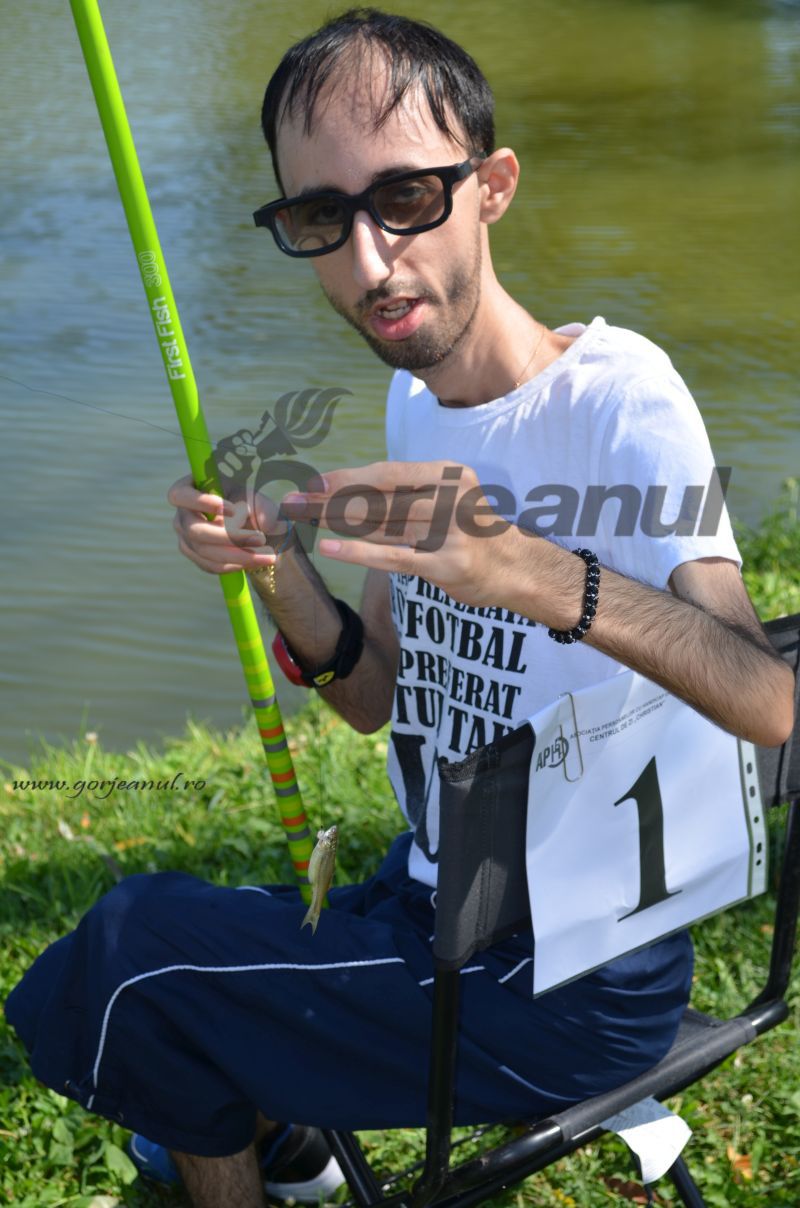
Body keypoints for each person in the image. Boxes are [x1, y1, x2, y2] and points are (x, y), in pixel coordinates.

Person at [5, 9, 794, 1208]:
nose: (369, 262)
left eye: (406, 199)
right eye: (321, 217)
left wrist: (524, 569)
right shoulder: (416, 402)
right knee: (151, 949)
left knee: (130, 959)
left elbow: (769, 701)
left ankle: (253, 1134)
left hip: (568, 978)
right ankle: (279, 1139)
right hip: (433, 902)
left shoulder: (620, 402)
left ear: (492, 186)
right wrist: (278, 568)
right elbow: (374, 694)